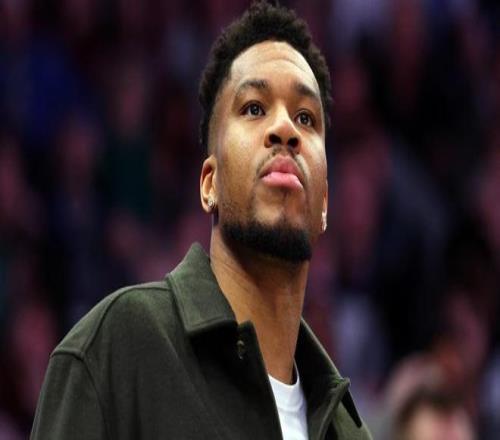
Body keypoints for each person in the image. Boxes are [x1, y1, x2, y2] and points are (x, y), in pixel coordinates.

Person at [31, 2, 371, 439]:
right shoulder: (117, 347)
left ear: (323, 202)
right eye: (254, 108)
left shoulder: (350, 432)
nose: (285, 128)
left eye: (306, 118)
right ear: (209, 184)